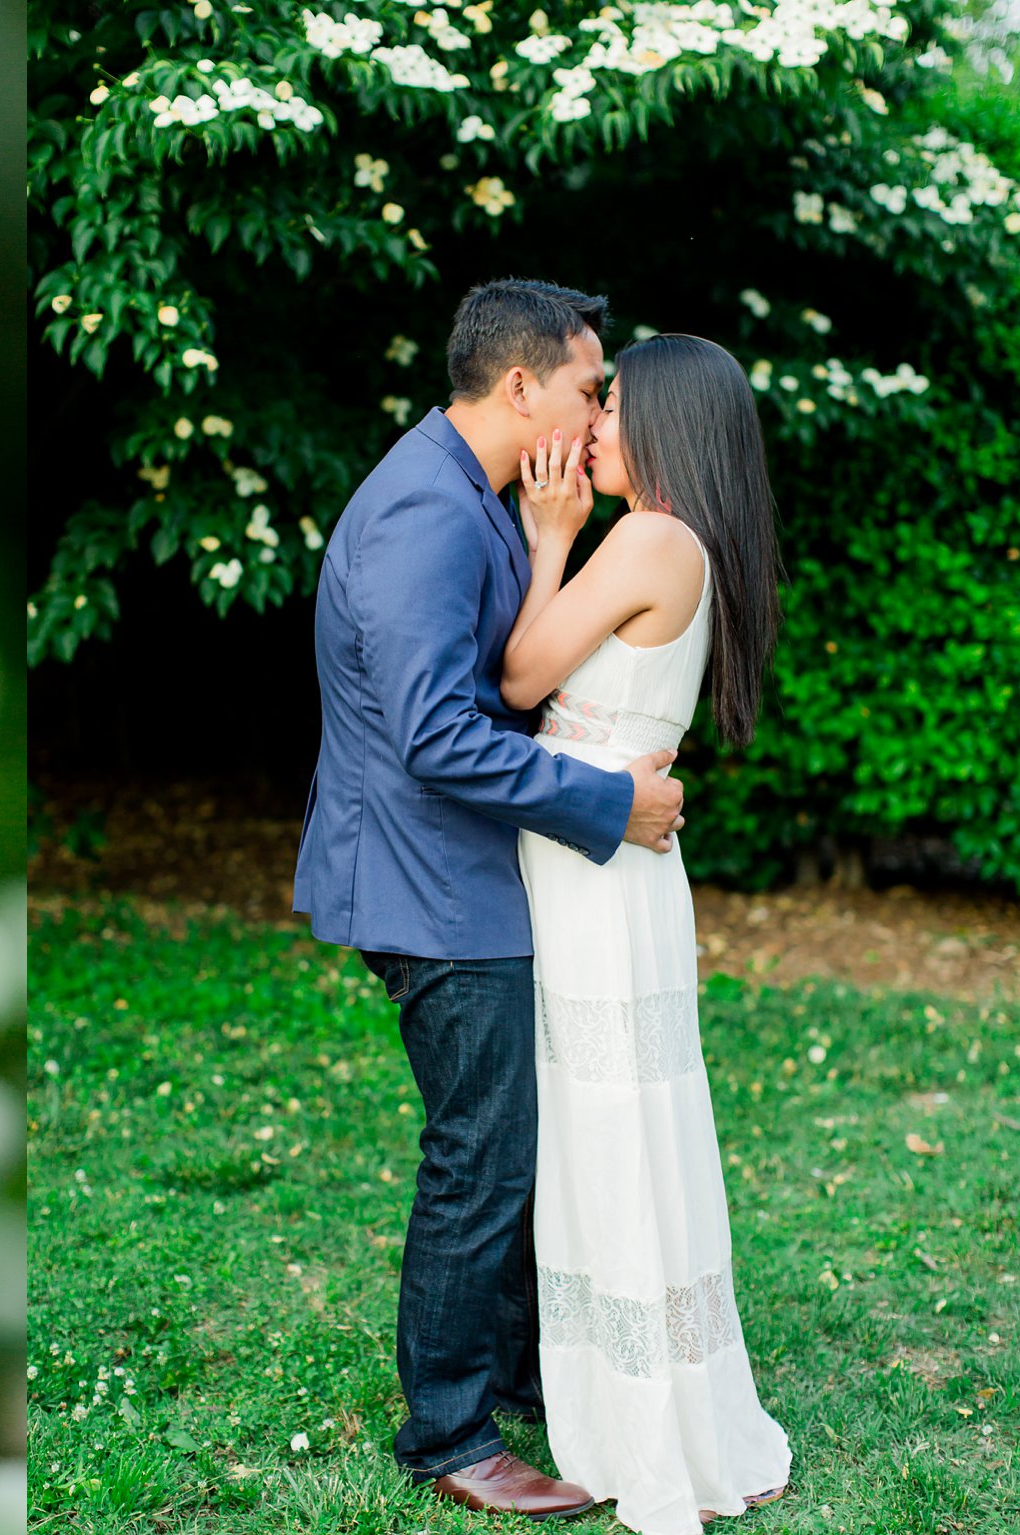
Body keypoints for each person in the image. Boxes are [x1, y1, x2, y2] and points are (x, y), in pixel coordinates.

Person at [293, 277, 684, 1518]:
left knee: (504, 1144)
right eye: (585, 384)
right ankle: (453, 1433)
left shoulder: (468, 494)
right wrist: (601, 801)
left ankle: (516, 1372)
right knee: (477, 1156)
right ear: (519, 387)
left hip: (452, 872)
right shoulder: (426, 511)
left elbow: (497, 686)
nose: (595, 403)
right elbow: (431, 735)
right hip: (425, 884)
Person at [502, 332, 792, 1531]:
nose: (595, 426)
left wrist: (548, 538)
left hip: (593, 874)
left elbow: (522, 677)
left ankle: (636, 1410)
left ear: (667, 425)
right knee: (623, 1119)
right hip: (614, 865)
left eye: (614, 407)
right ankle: (645, 1386)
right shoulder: (687, 542)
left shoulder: (645, 537)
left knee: (606, 1125)